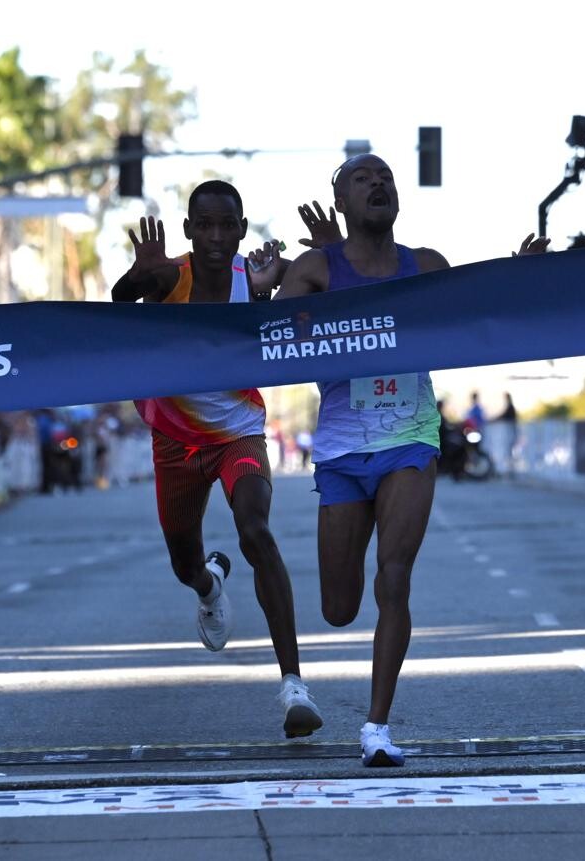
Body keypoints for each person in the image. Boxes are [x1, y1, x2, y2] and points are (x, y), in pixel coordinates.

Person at [276, 153, 547, 766]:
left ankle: (376, 727)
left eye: (386, 177)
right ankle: (367, 703)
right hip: (342, 450)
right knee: (339, 608)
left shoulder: (425, 266)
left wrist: (520, 275)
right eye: (363, 178)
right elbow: (264, 335)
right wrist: (283, 281)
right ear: (342, 203)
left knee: (394, 577)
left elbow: (476, 304)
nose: (379, 183)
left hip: (411, 437)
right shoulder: (317, 268)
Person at [112, 179, 323, 738]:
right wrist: (137, 276)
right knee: (184, 565)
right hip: (175, 443)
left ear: (241, 229)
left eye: (226, 225)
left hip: (238, 435)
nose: (214, 236)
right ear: (188, 230)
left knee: (256, 531)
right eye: (203, 225)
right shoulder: (169, 276)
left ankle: (294, 686)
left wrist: (274, 289)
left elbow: (304, 304)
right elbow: (118, 303)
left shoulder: (251, 279)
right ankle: (209, 585)